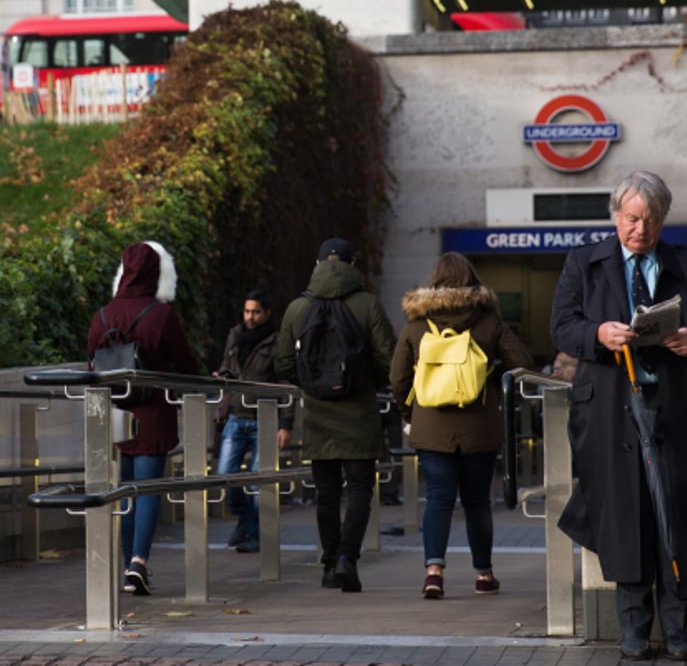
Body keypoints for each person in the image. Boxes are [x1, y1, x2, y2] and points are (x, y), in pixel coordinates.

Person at [549, 171, 687, 662]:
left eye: (652, 220)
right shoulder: (583, 264)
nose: (642, 229)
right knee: (624, 515)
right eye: (633, 218)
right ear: (617, 215)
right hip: (612, 412)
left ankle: (679, 631)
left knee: (678, 516)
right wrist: (599, 334)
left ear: (663, 219)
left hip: (679, 410)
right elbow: (562, 327)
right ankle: (633, 631)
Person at [388, 252, 533, 600]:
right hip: (479, 425)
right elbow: (523, 364)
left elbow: (397, 377)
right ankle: (484, 575)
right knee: (477, 502)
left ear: (434, 279)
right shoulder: (488, 319)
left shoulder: (416, 322)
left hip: (431, 424)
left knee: (438, 498)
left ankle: (434, 573)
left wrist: (410, 413)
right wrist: (489, 377)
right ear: (472, 278)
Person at [275, 237, 396, 593]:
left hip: (317, 414)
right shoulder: (368, 304)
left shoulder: (297, 308)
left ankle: (329, 564)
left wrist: (312, 383)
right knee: (360, 487)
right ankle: (348, 558)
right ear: (352, 265)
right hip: (359, 411)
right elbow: (388, 359)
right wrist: (364, 382)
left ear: (317, 265)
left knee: (326, 493)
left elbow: (282, 363)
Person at [86, 240, 201, 596]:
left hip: (117, 412)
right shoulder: (161, 315)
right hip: (153, 412)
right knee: (149, 489)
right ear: (155, 272)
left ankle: (126, 568)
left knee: (126, 491)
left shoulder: (102, 315)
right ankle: (138, 562)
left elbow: (90, 362)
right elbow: (185, 364)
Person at [213, 288, 294, 553]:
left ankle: (256, 535)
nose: (250, 316)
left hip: (264, 419)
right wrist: (221, 375)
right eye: (247, 311)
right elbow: (228, 365)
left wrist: (286, 424)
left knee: (260, 482)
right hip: (236, 415)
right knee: (225, 474)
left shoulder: (277, 341)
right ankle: (245, 519)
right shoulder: (235, 335)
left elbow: (286, 383)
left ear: (267, 313)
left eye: (256, 312)